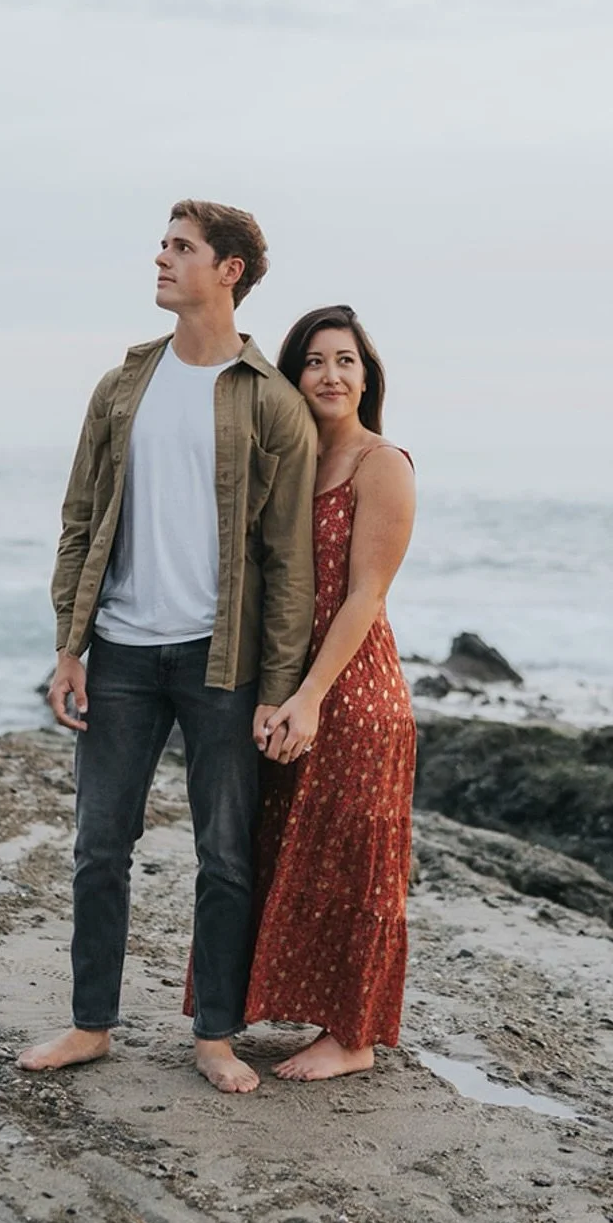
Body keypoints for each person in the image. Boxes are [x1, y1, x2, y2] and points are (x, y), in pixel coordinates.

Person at [17, 203, 316, 1094]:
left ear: (228, 270)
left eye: (180, 248)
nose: (160, 258)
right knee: (98, 848)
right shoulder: (122, 386)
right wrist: (69, 646)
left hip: (218, 662)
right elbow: (80, 522)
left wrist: (278, 684)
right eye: (164, 244)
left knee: (224, 854)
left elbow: (286, 562)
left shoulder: (273, 402)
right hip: (118, 654)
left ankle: (215, 1036)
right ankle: (90, 1024)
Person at [242, 306, 417, 1081]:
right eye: (314, 362)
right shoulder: (291, 463)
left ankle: (353, 1037)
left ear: (367, 376)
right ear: (293, 375)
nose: (331, 375)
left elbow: (364, 598)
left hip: (352, 692)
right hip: (288, 687)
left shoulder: (383, 463)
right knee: (285, 852)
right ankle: (290, 1009)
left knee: (354, 865)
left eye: (346, 361)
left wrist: (310, 696)